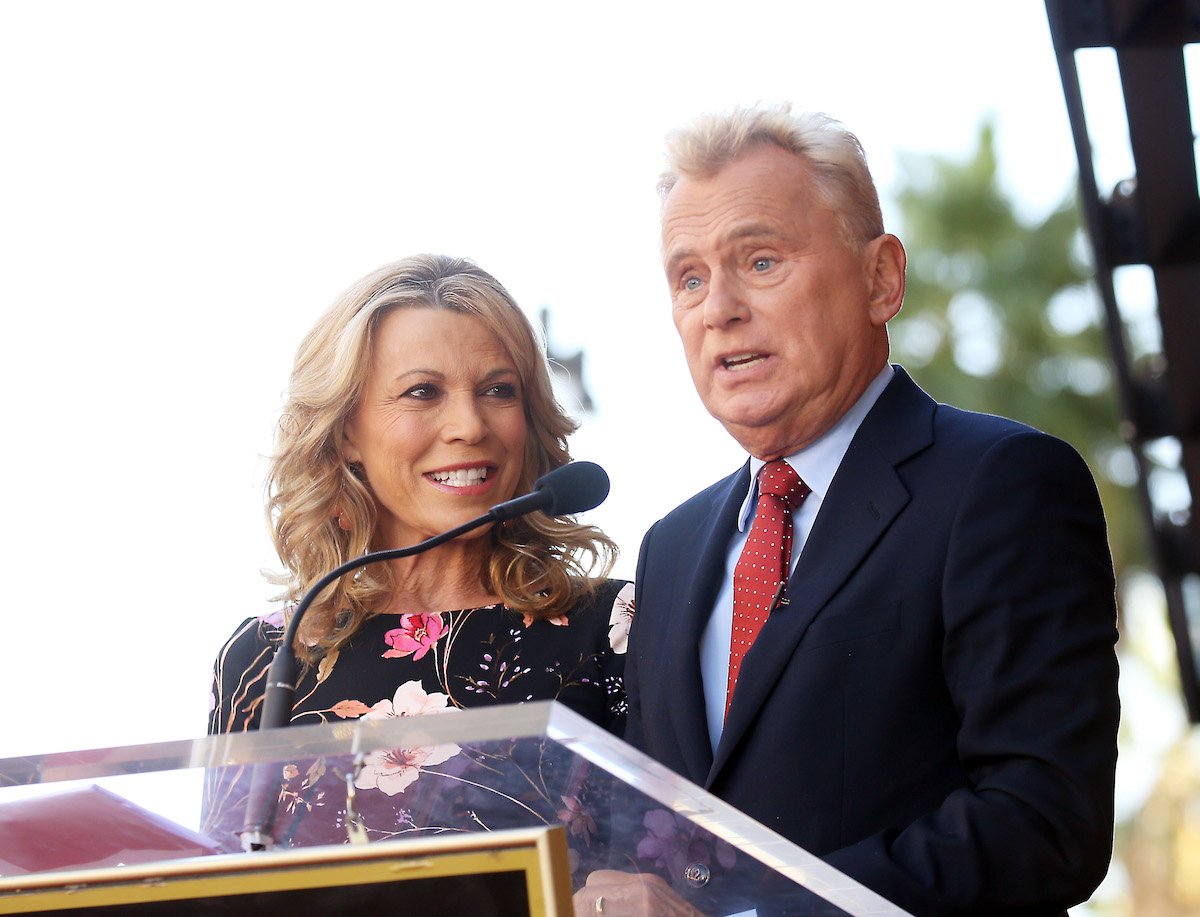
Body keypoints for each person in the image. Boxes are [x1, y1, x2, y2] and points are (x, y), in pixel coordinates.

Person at [605, 106, 1120, 916]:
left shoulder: (1000, 483)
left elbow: (1045, 822)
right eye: (690, 277)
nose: (719, 309)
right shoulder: (670, 548)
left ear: (881, 278)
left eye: (761, 260)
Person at [205, 255, 634, 847]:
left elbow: (683, 872)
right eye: (423, 392)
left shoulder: (611, 628)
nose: (469, 425)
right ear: (346, 431)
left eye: (498, 391)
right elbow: (221, 885)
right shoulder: (262, 658)